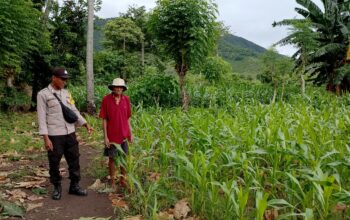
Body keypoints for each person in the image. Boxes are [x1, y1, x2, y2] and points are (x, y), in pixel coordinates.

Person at [37, 67, 93, 200]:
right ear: (54, 78)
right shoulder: (43, 94)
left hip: (70, 132)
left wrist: (85, 124)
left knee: (74, 159)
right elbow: (41, 118)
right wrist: (46, 138)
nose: (64, 82)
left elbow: (73, 110)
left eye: (66, 80)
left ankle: (74, 186)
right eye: (62, 79)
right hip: (54, 135)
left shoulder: (67, 93)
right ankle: (57, 186)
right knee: (54, 161)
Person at [99, 78, 132, 189]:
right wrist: (105, 137)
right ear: (112, 88)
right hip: (112, 135)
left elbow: (128, 118)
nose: (118, 89)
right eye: (116, 87)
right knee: (112, 159)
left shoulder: (126, 99)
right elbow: (104, 119)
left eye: (120, 87)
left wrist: (130, 134)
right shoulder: (106, 100)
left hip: (124, 135)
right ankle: (112, 181)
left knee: (124, 158)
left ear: (123, 89)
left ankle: (123, 180)